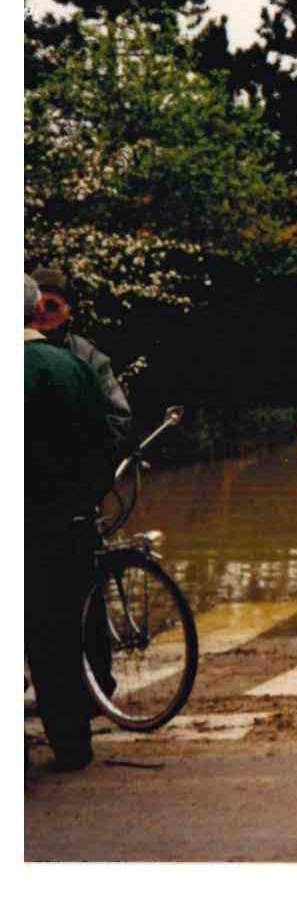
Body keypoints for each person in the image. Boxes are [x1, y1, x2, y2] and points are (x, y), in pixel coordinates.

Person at [24, 274, 115, 771]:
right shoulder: (71, 365)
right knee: (56, 632)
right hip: (68, 517)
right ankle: (72, 743)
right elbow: (103, 436)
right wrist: (87, 499)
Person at [28, 265, 131, 460]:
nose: (42, 312)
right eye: (37, 306)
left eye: (51, 306)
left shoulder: (88, 356)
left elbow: (119, 418)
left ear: (68, 310)